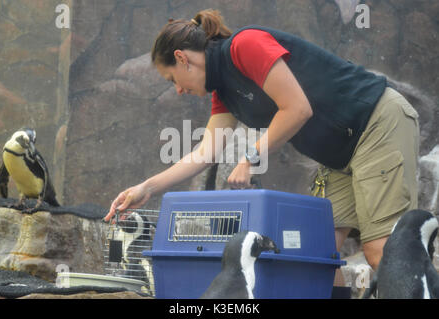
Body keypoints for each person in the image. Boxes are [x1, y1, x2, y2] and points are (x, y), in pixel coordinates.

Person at [103, 9, 419, 298]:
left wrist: (250, 159)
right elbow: (205, 153)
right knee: (316, 256)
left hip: (376, 122)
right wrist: (147, 187)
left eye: (172, 78)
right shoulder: (223, 92)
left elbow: (297, 109)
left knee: (382, 251)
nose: (178, 89)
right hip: (339, 157)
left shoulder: (246, 45)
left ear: (182, 58)